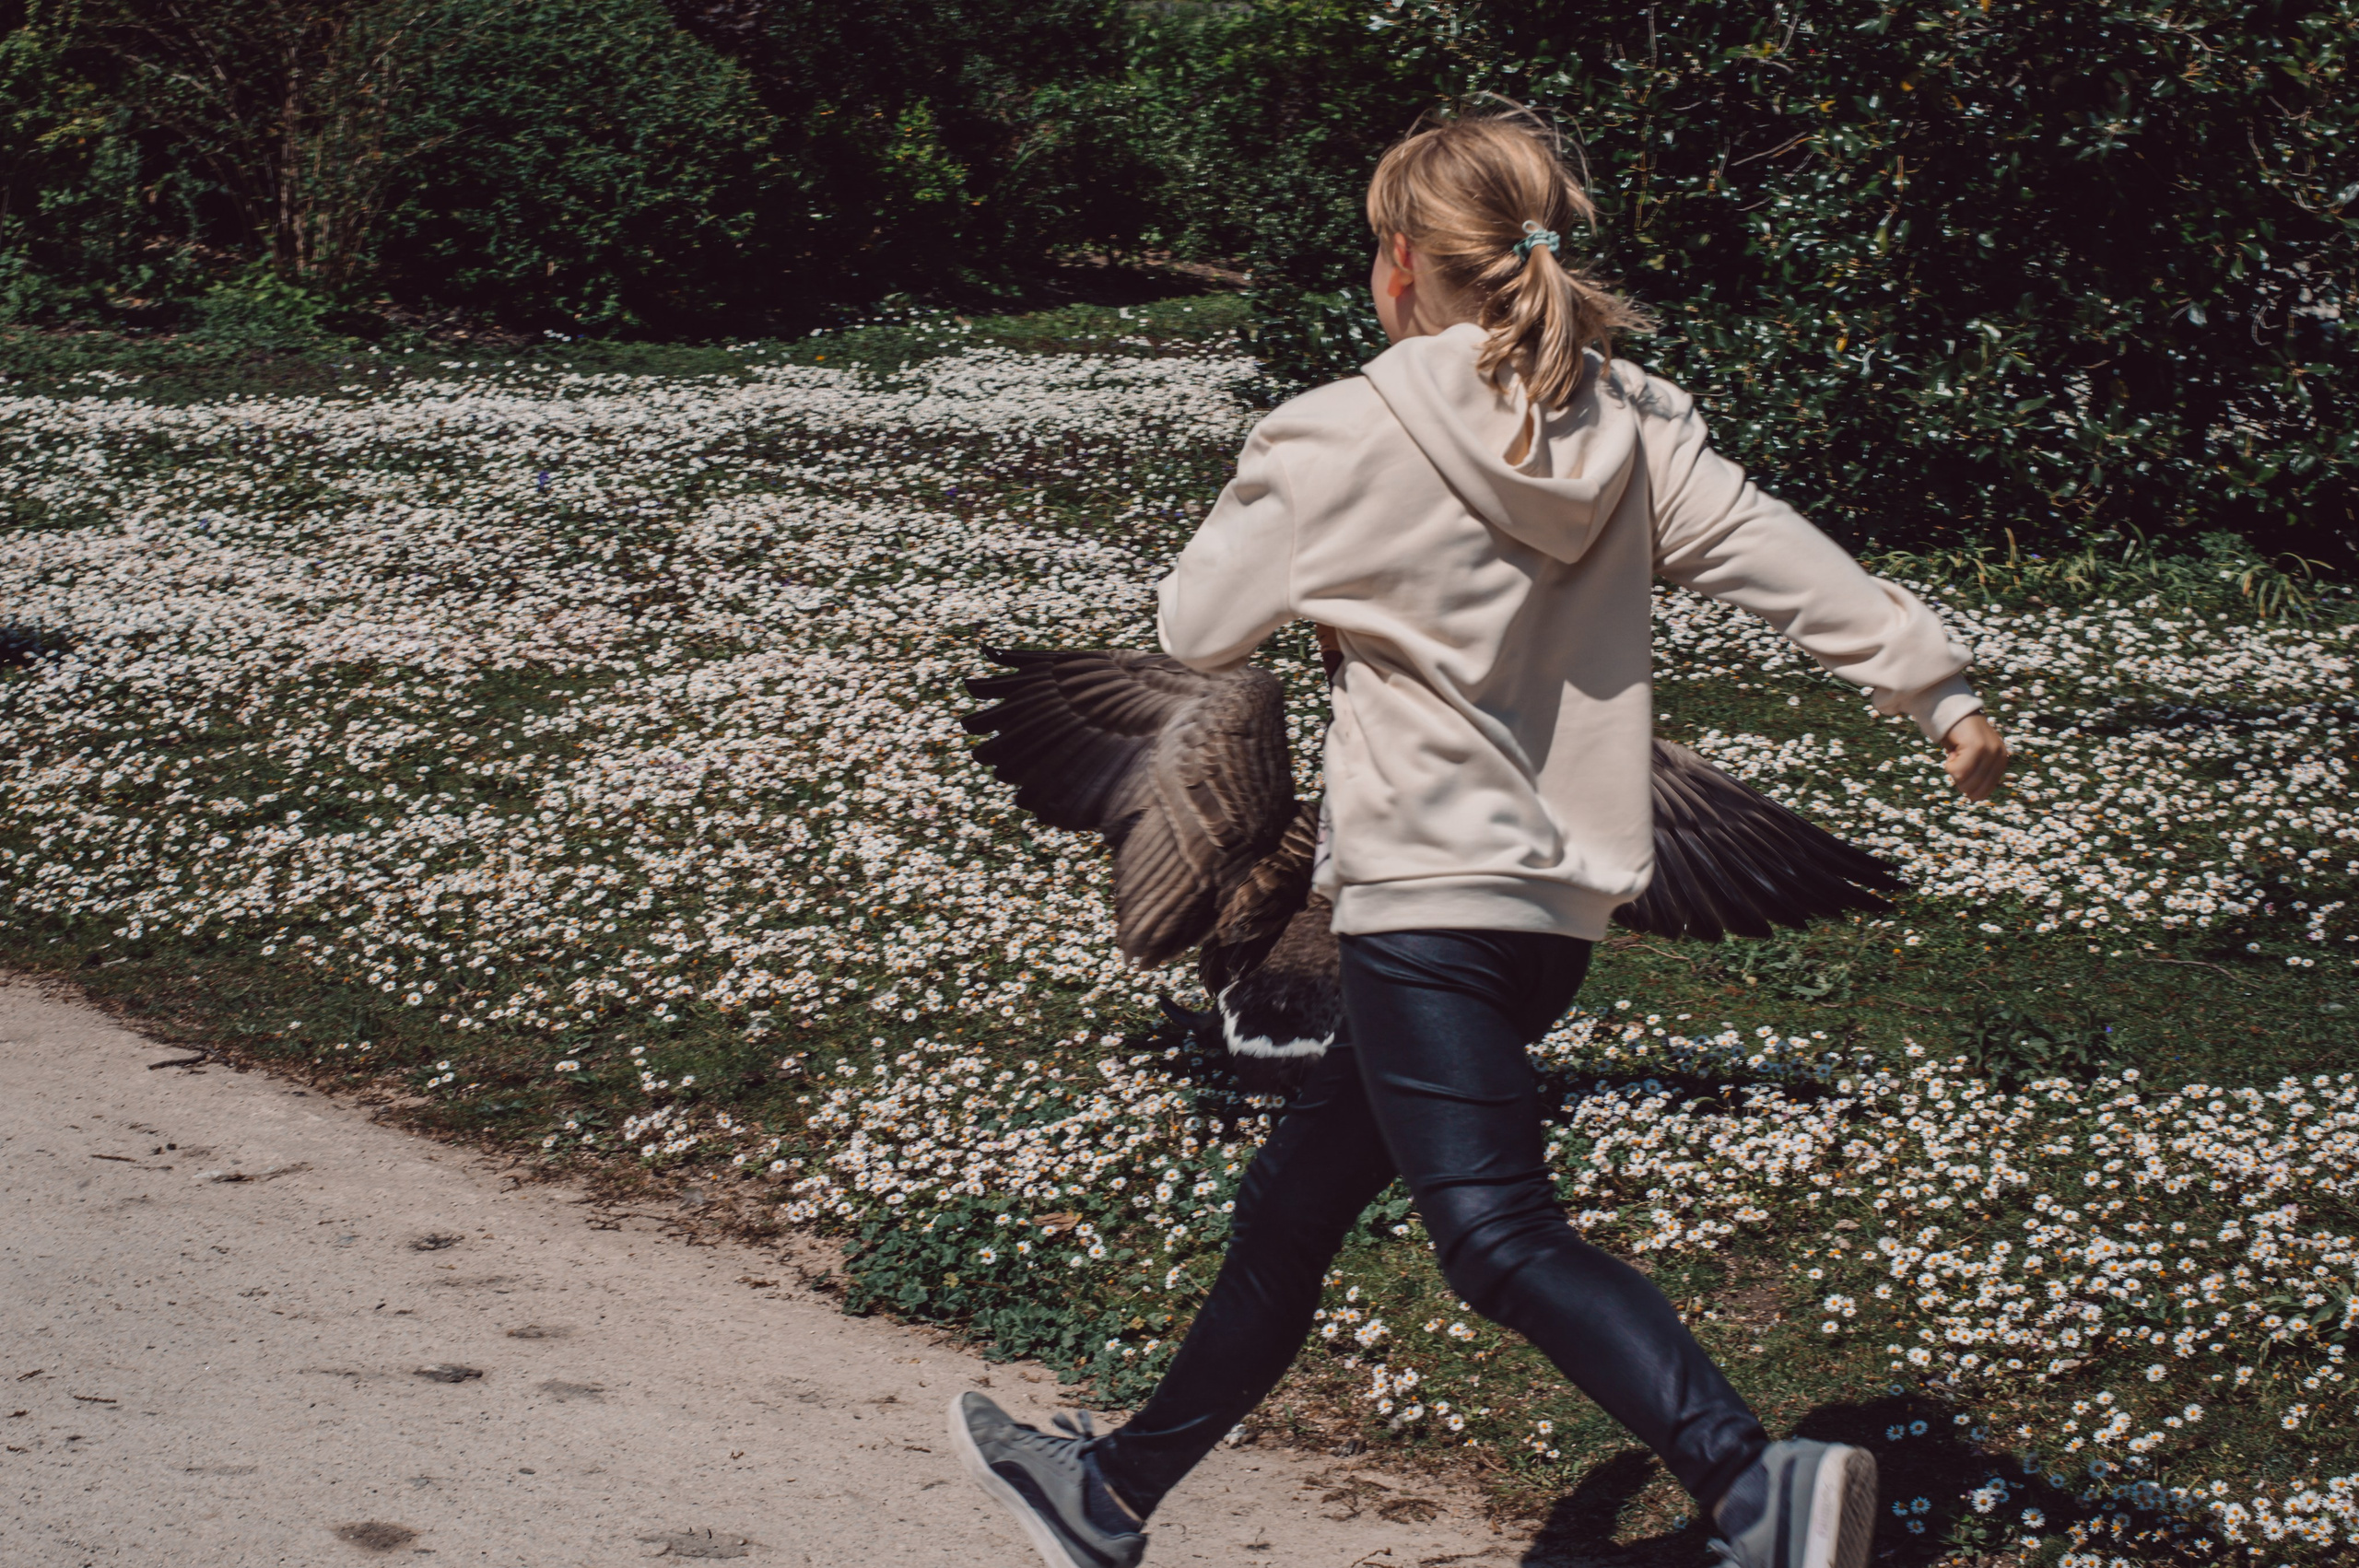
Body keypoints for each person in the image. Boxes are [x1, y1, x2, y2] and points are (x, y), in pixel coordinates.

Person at [948, 107, 2011, 1568]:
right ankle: (1110, 1492)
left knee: (1498, 1237)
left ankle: (1755, 1485)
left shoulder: (1341, 429)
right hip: (1546, 927)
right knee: (1288, 1210)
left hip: (1420, 914)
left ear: (1397, 263)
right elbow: (1784, 563)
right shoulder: (1635, 428)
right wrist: (1938, 688)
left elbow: (1194, 627)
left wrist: (1301, 523)